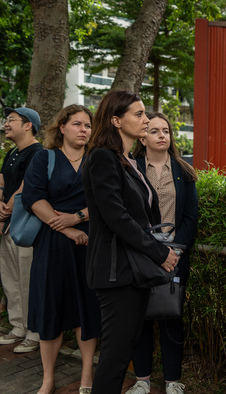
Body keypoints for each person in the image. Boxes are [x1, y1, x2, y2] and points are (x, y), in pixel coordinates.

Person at [82, 90, 179, 393]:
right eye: (138, 115)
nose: (146, 119)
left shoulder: (128, 161)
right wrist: (160, 252)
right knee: (114, 356)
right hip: (115, 270)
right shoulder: (101, 157)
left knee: (125, 350)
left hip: (132, 270)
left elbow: (144, 218)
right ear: (116, 121)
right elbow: (117, 217)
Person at [21, 104, 101, 394]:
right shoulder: (45, 158)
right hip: (52, 243)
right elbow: (33, 197)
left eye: (88, 126)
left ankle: (86, 377)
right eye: (78, 124)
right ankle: (47, 379)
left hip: (89, 242)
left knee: (87, 309)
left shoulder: (97, 159)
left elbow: (108, 198)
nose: (84, 130)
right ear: (62, 128)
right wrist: (67, 228)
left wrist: (78, 218)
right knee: (50, 308)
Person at [126, 112, 199, 394]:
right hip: (140, 254)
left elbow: (191, 216)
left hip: (175, 257)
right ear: (142, 137)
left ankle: (172, 381)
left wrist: (176, 250)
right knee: (139, 318)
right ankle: (142, 380)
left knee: (171, 316)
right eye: (154, 130)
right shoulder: (130, 168)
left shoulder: (184, 170)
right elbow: (127, 215)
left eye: (166, 131)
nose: (161, 136)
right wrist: (149, 248)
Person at [0, 107, 43, 353]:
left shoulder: (38, 153)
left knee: (27, 279)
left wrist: (8, 205)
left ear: (28, 125)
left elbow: (29, 185)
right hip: (6, 225)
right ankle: (17, 326)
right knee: (10, 277)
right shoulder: (12, 153)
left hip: (25, 227)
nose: (6, 124)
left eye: (11, 120)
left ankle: (33, 331)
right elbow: (2, 181)